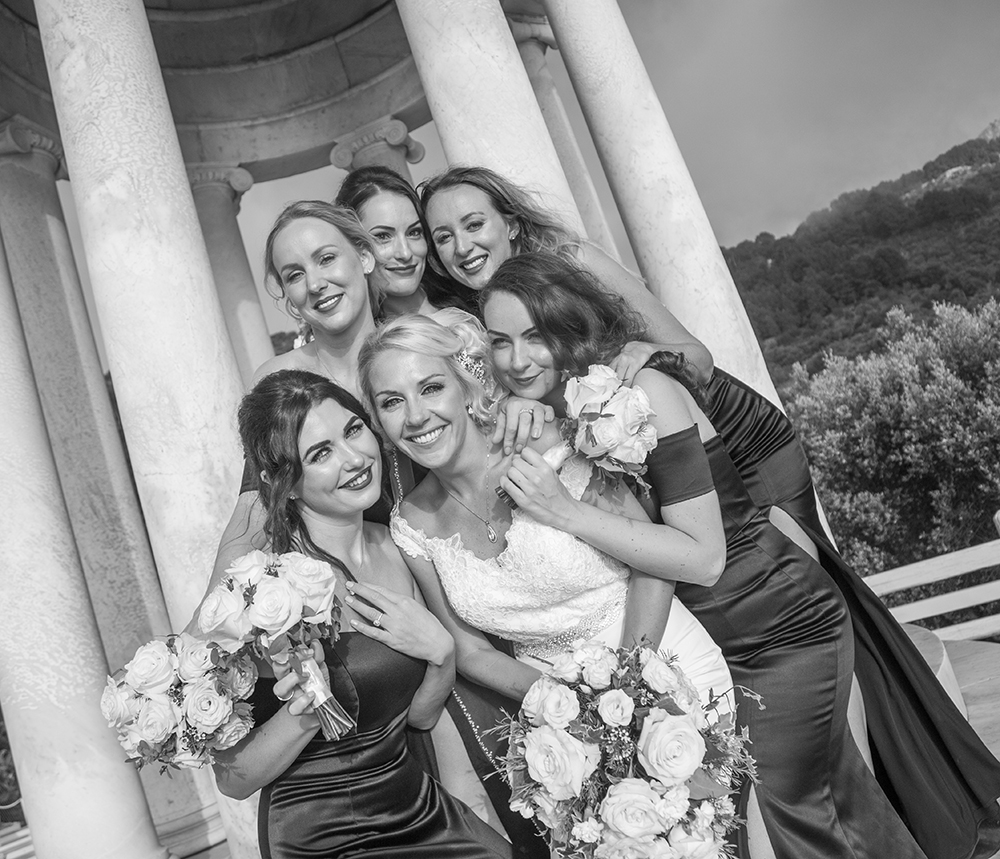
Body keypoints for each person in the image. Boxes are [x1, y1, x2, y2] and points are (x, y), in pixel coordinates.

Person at [476, 252, 948, 859]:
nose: (517, 361)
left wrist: (562, 511)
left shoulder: (645, 390)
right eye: (500, 342)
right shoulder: (552, 413)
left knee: (788, 814)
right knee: (841, 803)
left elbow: (703, 559)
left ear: (571, 326)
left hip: (776, 621)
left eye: (536, 337)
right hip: (704, 643)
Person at [357, 310, 734, 845]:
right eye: (392, 402)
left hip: (665, 664)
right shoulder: (410, 524)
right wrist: (570, 706)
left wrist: (630, 687)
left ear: (466, 386)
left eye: (431, 388)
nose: (416, 416)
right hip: (558, 724)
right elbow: (471, 651)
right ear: (378, 422)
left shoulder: (554, 446)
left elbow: (655, 559)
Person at [211, 370, 511, 859]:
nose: (354, 459)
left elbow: (416, 718)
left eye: (353, 431)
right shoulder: (262, 588)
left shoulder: (394, 545)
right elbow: (233, 778)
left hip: (415, 806)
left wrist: (441, 657)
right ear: (282, 484)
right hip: (327, 835)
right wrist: (308, 710)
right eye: (320, 453)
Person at [335, 165, 475, 319]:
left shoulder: (471, 291)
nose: (405, 253)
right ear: (353, 244)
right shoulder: (368, 340)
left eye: (414, 233)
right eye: (382, 236)